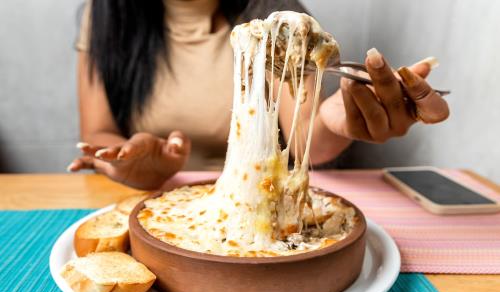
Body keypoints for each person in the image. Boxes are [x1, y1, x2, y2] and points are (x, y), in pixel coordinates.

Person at [68, 0, 449, 190]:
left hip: (261, 201)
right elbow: (98, 133)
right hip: (150, 200)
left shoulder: (275, 18)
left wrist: (342, 118)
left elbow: (307, 139)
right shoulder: (104, 16)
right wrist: (126, 163)